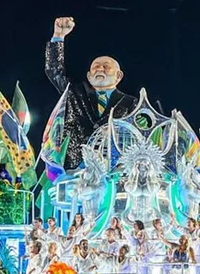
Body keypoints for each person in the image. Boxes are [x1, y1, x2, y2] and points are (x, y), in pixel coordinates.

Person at [45, 16, 138, 170]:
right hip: (75, 169)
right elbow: (54, 71)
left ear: (119, 75)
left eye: (106, 66)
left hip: (113, 169)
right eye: (96, 66)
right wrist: (58, 37)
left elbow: (135, 135)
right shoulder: (73, 93)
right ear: (89, 75)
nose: (100, 69)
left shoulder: (130, 102)